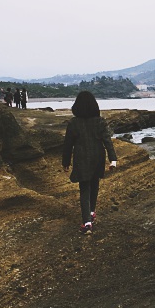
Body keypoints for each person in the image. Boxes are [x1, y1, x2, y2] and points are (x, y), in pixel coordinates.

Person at [62, 91, 117, 233]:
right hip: (98, 157)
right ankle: (91, 212)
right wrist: (113, 159)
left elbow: (68, 144)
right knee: (95, 184)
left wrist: (65, 162)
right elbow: (107, 141)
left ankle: (87, 223)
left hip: (81, 158)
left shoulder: (74, 123)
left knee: (84, 188)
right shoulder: (99, 121)